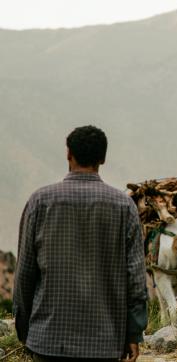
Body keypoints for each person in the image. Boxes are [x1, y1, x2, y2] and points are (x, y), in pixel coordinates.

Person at [14, 125, 148, 362]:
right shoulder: (124, 206)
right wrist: (133, 332)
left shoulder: (40, 201)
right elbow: (135, 278)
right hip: (105, 343)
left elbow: (25, 273)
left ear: (68, 154)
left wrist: (25, 329)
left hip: (48, 340)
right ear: (103, 158)